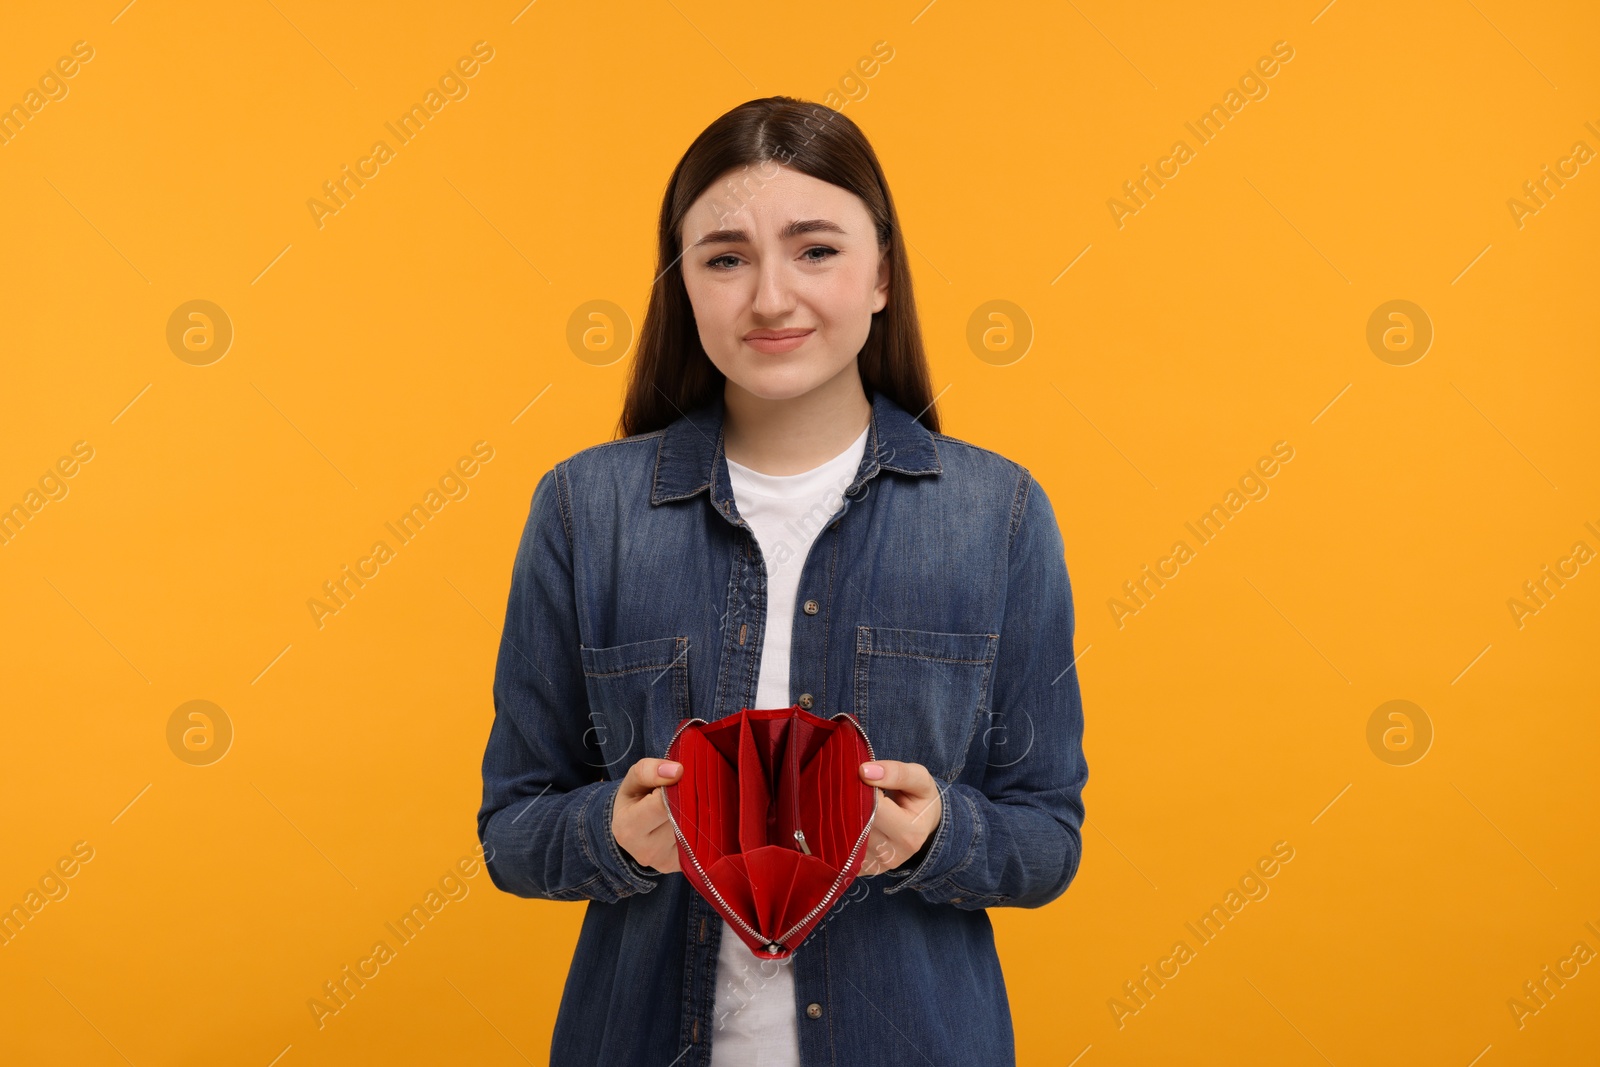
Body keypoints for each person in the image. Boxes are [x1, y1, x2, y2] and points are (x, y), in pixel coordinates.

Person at [476, 96, 1088, 1067]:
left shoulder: (996, 512)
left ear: (880, 272)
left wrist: (935, 833)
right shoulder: (584, 511)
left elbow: (1047, 836)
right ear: (682, 284)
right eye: (724, 257)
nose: (769, 297)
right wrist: (614, 829)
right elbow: (511, 825)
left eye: (815, 250)